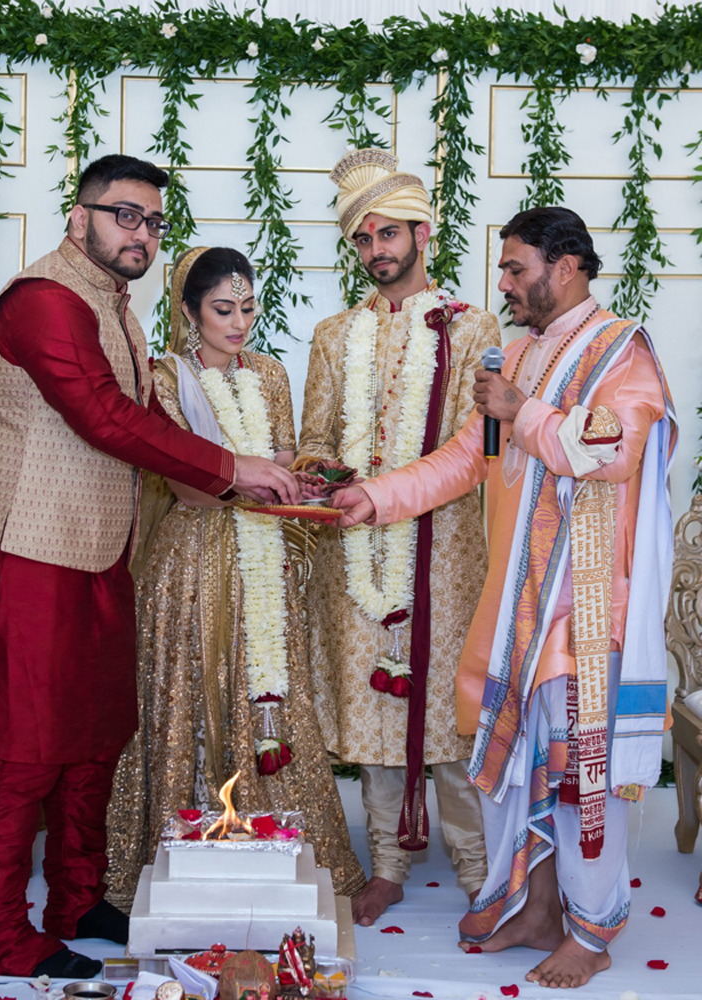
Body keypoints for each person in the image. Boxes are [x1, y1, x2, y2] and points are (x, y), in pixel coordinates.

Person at [0, 156, 300, 980]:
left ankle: (76, 899)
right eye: (125, 216)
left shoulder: (113, 304)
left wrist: (246, 472)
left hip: (97, 547)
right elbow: (99, 413)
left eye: (154, 222)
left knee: (93, 737)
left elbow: (149, 413)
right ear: (76, 214)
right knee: (24, 750)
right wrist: (232, 469)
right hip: (27, 548)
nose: (142, 235)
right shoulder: (43, 300)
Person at [333, 206, 677, 989]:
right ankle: (533, 901)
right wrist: (375, 499)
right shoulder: (518, 354)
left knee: (574, 765)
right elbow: (463, 460)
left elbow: (614, 448)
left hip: (586, 605)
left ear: (568, 267)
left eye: (517, 268)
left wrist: (524, 414)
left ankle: (590, 932)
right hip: (518, 595)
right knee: (517, 759)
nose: (505, 284)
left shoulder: (623, 350)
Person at [105, 246, 366, 907]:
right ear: (189, 311)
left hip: (261, 556)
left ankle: (274, 846)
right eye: (223, 309)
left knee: (269, 692)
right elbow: (188, 488)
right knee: (188, 692)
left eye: (247, 308)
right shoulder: (165, 380)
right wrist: (261, 479)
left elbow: (280, 458)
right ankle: (176, 850)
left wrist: (300, 478)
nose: (239, 322)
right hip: (191, 560)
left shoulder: (270, 375)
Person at [295, 148, 500, 925]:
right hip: (356, 553)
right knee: (374, 712)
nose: (377, 249)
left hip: (445, 554)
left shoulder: (475, 327)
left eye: (389, 233)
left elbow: (474, 451)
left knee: (446, 715)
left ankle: (481, 875)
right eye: (362, 238)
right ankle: (385, 863)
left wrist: (391, 488)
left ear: (423, 233)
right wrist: (325, 468)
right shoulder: (332, 335)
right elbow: (316, 437)